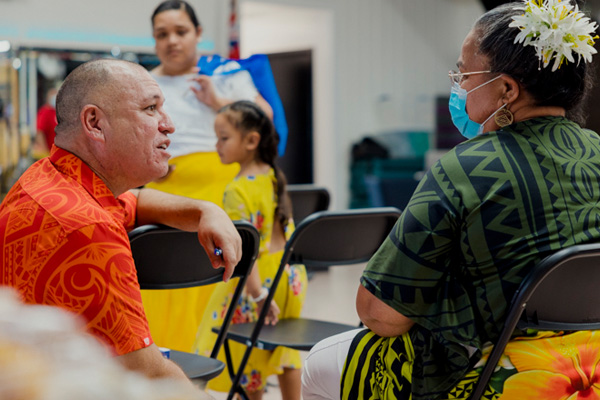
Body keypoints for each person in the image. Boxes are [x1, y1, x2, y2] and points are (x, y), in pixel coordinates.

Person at [301, 1, 600, 399]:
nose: (458, 83)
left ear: (507, 90)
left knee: (320, 362)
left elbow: (379, 314)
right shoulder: (596, 148)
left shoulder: (467, 165)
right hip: (588, 360)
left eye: (463, 72)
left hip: (499, 371)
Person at [0, 59, 242, 395]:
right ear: (95, 123)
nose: (168, 125)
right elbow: (147, 373)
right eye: (150, 109)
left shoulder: (51, 176)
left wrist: (204, 209)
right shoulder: (88, 227)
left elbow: (133, 202)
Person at [141, 0, 273, 353]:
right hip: (164, 194)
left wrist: (220, 103)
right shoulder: (143, 81)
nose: (172, 41)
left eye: (181, 32)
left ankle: (212, 369)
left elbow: (266, 121)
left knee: (216, 281)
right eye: (162, 34)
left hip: (220, 193)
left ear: (198, 34)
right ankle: (163, 369)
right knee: (164, 283)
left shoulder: (227, 74)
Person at [193, 101, 306, 400]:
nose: (216, 145)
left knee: (247, 354)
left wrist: (257, 294)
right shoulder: (273, 175)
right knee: (285, 350)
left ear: (251, 141)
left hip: (257, 283)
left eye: (224, 138)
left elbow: (245, 250)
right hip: (291, 276)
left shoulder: (237, 189)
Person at [33, 86, 58, 159]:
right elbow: (40, 132)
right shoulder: (45, 112)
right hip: (48, 153)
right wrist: (45, 151)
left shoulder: (58, 111)